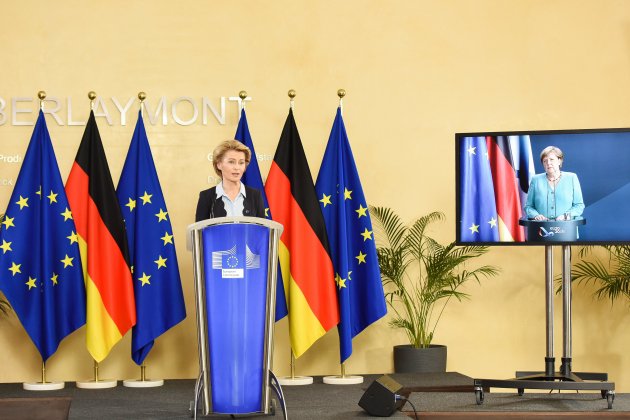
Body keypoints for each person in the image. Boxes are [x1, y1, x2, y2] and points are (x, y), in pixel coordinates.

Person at [195, 139, 265, 221]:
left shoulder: (255, 196)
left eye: (241, 163)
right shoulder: (206, 197)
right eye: (231, 162)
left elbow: (261, 231)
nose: (237, 167)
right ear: (219, 164)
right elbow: (199, 231)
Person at [524, 145, 585, 221]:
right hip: (541, 228)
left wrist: (565, 216)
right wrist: (536, 215)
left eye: (551, 159)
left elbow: (579, 205)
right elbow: (529, 206)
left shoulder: (572, 178)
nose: (548, 163)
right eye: (545, 161)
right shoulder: (535, 180)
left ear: (559, 161)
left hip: (567, 228)